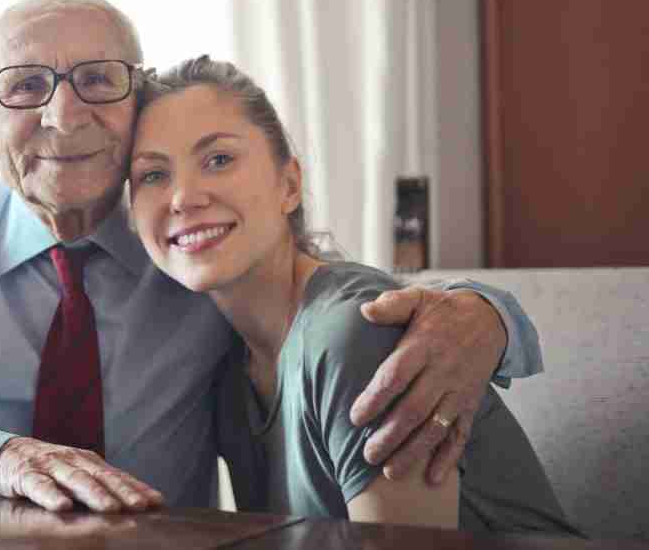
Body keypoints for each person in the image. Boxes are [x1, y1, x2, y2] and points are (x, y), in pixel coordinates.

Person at [0, 0, 544, 513]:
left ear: (134, 106)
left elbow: (337, 307)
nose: (63, 113)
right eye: (23, 86)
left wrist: (487, 315)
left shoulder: (190, 247)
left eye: (97, 79)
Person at [128, 55, 580, 533]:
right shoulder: (228, 372)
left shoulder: (356, 333)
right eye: (153, 175)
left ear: (290, 184)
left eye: (218, 160)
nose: (182, 197)